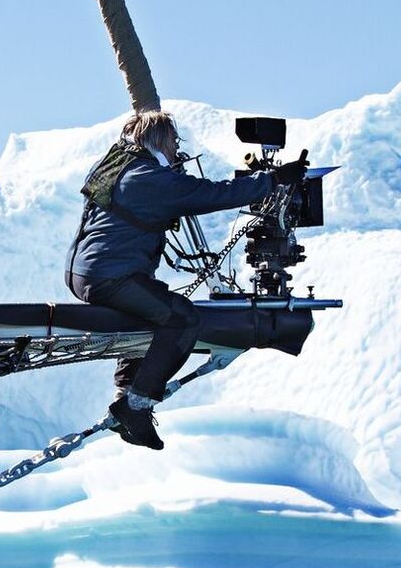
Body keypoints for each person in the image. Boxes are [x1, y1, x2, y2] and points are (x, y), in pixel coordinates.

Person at [66, 110, 291, 450]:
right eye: (173, 141)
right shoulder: (148, 177)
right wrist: (271, 181)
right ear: (157, 139)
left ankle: (127, 394)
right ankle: (136, 407)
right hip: (109, 275)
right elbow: (209, 194)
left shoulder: (120, 165)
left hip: (88, 271)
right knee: (183, 321)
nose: (177, 148)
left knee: (148, 317)